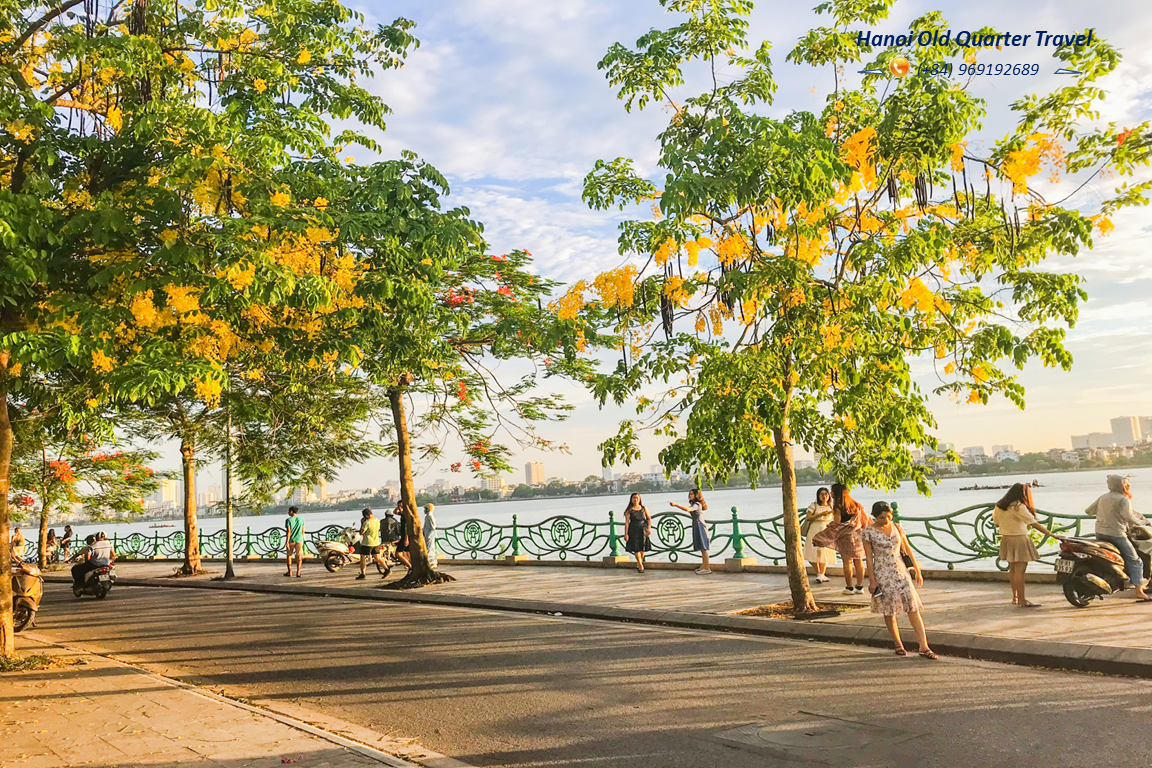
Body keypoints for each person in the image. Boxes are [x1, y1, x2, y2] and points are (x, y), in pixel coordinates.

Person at [862, 501, 937, 660]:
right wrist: (872, 581)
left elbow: (907, 548)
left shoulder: (897, 527)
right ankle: (898, 643)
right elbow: (869, 558)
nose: (886, 520)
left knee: (912, 607)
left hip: (901, 571)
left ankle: (924, 646)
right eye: (882, 517)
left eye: (889, 516)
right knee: (889, 609)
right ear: (874, 517)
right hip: (882, 572)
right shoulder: (868, 532)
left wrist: (917, 569)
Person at [1086, 474, 1152, 602]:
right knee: (1135, 560)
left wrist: (1105, 515)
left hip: (1100, 533)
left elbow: (1089, 511)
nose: (1128, 486)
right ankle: (1139, 590)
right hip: (1116, 534)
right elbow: (1129, 517)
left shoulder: (1103, 497)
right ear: (1121, 485)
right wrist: (1144, 523)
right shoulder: (1123, 499)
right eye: (1126, 484)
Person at [993, 483, 1060, 607]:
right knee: (1020, 571)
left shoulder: (999, 506)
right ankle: (1022, 600)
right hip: (1019, 539)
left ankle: (1015, 597)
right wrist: (1050, 534)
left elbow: (996, 523)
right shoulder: (1018, 506)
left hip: (1006, 539)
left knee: (1012, 570)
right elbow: (1033, 523)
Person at [813, 483, 868, 594]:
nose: (831, 493)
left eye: (832, 491)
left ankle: (849, 587)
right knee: (859, 561)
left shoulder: (838, 506)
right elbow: (864, 521)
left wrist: (825, 533)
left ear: (837, 493)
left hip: (845, 537)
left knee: (847, 562)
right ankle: (860, 587)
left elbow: (837, 524)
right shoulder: (856, 505)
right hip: (857, 535)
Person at [671, 489, 711, 574]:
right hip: (697, 525)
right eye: (689, 494)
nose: (690, 495)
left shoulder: (696, 504)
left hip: (700, 526)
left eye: (692, 494)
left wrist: (676, 505)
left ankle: (707, 568)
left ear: (696, 495)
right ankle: (703, 566)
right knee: (701, 547)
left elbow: (688, 509)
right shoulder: (695, 504)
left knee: (704, 548)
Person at [803, 487, 836, 583]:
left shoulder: (832, 506)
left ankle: (821, 574)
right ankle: (819, 573)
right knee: (811, 551)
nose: (824, 496)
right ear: (818, 496)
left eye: (826, 494)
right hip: (814, 528)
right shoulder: (814, 505)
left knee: (824, 551)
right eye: (821, 494)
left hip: (826, 528)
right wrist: (821, 514)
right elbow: (808, 517)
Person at [623, 493, 652, 573]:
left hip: (643, 529)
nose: (635, 499)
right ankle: (640, 565)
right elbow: (627, 523)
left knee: (642, 549)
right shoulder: (629, 511)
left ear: (639, 499)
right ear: (631, 500)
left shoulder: (643, 508)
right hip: (633, 530)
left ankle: (639, 563)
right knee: (636, 549)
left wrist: (649, 528)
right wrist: (626, 534)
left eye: (637, 498)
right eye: (633, 498)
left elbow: (649, 518)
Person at [356, 508, 383, 580]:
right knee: (378, 558)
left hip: (367, 543)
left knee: (363, 558)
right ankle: (386, 569)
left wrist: (362, 524)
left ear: (365, 515)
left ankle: (363, 573)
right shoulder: (377, 520)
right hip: (376, 542)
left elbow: (361, 532)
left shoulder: (367, 522)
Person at [387, 504, 411, 569]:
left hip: (405, 537)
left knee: (398, 554)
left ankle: (410, 566)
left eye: (401, 507)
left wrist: (406, 538)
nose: (399, 509)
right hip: (404, 537)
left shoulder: (405, 516)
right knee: (407, 552)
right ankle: (411, 566)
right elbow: (395, 512)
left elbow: (407, 528)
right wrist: (399, 507)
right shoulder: (404, 515)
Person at [284, 506, 305, 577]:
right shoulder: (302, 520)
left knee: (289, 555)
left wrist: (287, 542)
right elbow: (303, 531)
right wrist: (303, 539)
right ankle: (298, 572)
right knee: (299, 556)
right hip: (300, 540)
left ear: (291, 512)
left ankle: (290, 571)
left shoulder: (288, 520)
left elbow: (288, 532)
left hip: (291, 540)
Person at [423, 504, 438, 568]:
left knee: (430, 549)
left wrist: (429, 535)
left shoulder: (430, 516)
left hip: (429, 535)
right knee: (428, 548)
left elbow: (433, 527)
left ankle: (432, 562)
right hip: (426, 534)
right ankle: (430, 562)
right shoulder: (427, 516)